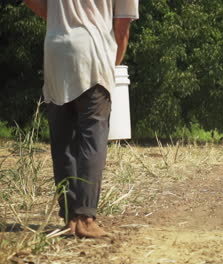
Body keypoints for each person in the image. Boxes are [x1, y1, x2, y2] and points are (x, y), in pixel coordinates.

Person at [22, 0, 139, 238]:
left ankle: (69, 216)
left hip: (56, 49)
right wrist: (110, 64)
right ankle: (85, 217)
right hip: (93, 53)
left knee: (63, 139)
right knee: (92, 137)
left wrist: (60, 19)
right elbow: (122, 28)